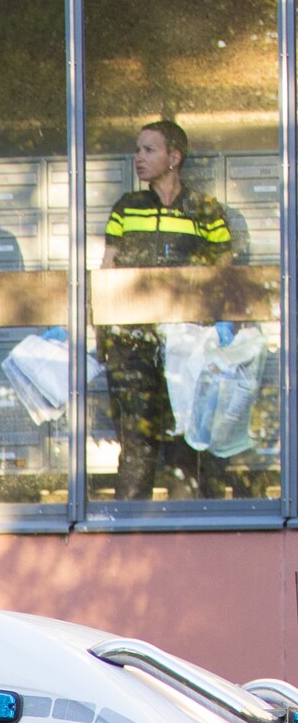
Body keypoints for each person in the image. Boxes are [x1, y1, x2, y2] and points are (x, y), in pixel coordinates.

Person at [98, 119, 235, 501]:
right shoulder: (127, 207)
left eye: (148, 150)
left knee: (188, 443)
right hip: (132, 341)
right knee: (137, 445)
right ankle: (126, 537)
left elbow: (222, 274)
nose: (138, 157)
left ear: (174, 158)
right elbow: (108, 269)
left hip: (185, 344)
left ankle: (194, 535)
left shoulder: (204, 210)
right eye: (137, 149)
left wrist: (217, 326)